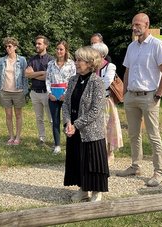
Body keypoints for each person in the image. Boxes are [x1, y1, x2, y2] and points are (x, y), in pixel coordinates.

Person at [116, 13, 162, 187]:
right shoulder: (132, 46)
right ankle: (135, 166)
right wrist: (124, 93)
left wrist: (158, 95)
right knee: (133, 134)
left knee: (153, 135)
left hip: (150, 96)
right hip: (131, 96)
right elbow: (126, 71)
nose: (134, 27)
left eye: (138, 24)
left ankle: (158, 172)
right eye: (133, 24)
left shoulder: (157, 45)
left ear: (147, 24)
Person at [62, 46, 109, 202]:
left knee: (92, 162)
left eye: (79, 60)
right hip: (74, 130)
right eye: (76, 59)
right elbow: (66, 104)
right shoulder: (73, 80)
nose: (76, 63)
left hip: (91, 132)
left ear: (90, 63)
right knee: (78, 160)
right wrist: (68, 123)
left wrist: (76, 124)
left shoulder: (97, 83)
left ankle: (96, 191)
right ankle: (83, 189)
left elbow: (96, 110)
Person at [92, 42, 123, 165]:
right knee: (96, 128)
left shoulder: (110, 66)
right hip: (93, 101)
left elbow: (107, 81)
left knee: (108, 127)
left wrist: (93, 88)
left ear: (101, 54)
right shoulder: (91, 66)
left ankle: (109, 153)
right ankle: (97, 152)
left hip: (105, 101)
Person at [46, 40, 76, 155]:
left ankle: (70, 143)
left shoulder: (71, 64)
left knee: (68, 120)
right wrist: (49, 93)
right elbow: (48, 79)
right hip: (53, 95)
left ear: (66, 51)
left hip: (66, 96)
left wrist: (67, 94)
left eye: (61, 49)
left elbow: (73, 80)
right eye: (57, 49)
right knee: (55, 120)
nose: (59, 51)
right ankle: (57, 145)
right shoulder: (50, 64)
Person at [0, 37, 28, 145]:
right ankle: (11, 136)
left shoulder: (22, 60)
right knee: (8, 115)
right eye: (6, 46)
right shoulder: (2, 60)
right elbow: (0, 75)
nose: (7, 48)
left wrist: (24, 90)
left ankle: (18, 137)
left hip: (18, 91)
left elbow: (25, 76)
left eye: (9, 46)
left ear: (15, 47)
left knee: (18, 115)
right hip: (5, 91)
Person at [25, 35, 54, 145]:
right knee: (39, 118)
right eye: (36, 43)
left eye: (39, 43)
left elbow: (49, 76)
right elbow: (26, 74)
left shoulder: (51, 60)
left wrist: (33, 75)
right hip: (35, 93)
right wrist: (42, 73)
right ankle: (42, 138)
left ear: (45, 45)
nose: (36, 45)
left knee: (51, 118)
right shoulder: (32, 59)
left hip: (47, 93)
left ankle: (55, 139)